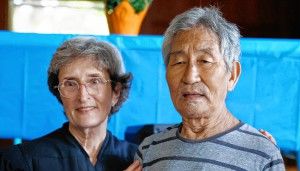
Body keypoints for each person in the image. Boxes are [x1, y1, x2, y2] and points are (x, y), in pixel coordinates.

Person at [135, 7, 285, 170]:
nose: (190, 77)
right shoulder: (150, 150)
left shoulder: (262, 154)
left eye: (205, 61)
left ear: (232, 75)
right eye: (179, 62)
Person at [1, 37, 140, 171]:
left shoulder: (139, 159)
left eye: (94, 81)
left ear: (116, 92)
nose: (83, 96)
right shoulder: (23, 161)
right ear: (59, 94)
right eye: (70, 84)